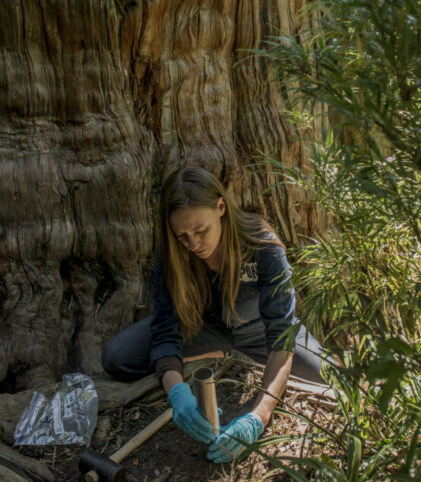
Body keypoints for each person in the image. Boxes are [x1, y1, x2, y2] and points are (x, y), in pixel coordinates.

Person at [101, 166, 330, 463]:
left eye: (201, 230)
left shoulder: (263, 244)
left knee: (328, 378)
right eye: (182, 236)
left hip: (259, 330)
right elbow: (166, 330)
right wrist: (177, 393)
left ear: (220, 207)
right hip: (201, 329)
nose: (194, 244)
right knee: (117, 357)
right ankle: (215, 354)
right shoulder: (172, 255)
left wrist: (258, 417)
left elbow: (281, 337)